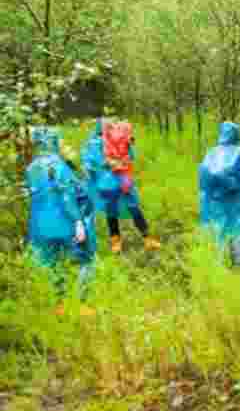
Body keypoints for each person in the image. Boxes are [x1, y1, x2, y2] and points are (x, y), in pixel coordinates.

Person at [25, 127, 98, 316]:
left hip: (39, 225)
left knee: (51, 263)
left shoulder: (31, 168)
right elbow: (67, 196)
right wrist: (78, 222)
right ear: (54, 141)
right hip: (63, 221)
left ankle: (59, 305)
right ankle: (83, 304)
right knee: (86, 258)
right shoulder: (59, 166)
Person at [92, 119, 160, 253]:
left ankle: (147, 238)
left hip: (124, 177)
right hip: (109, 179)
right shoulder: (99, 143)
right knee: (111, 209)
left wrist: (125, 160)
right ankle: (115, 240)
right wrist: (109, 164)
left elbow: (130, 156)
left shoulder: (125, 140)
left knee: (134, 206)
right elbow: (97, 161)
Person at [199, 122, 240, 266]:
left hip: (214, 201)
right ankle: (238, 260)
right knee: (238, 227)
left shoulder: (211, 152)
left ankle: (219, 263)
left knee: (219, 229)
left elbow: (203, 177)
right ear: (237, 135)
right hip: (236, 199)